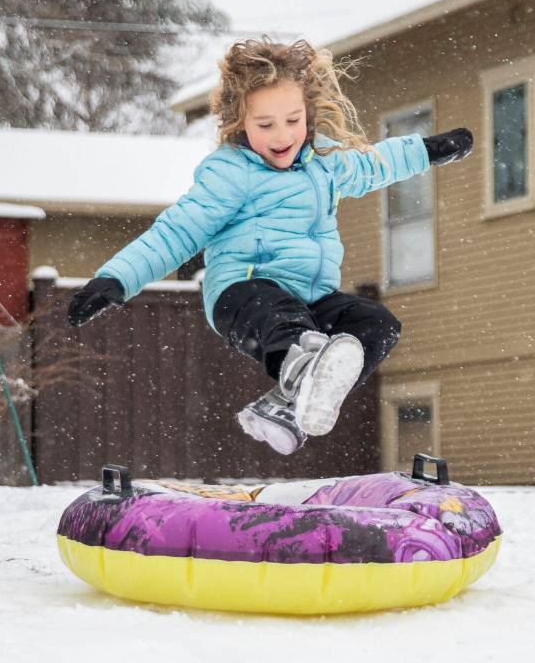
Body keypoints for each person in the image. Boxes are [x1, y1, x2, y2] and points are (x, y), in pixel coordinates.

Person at [67, 37, 472, 456]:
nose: (282, 136)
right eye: (265, 125)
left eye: (293, 120)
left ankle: (290, 405)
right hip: (244, 292)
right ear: (239, 122)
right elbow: (177, 231)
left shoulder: (325, 162)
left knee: (377, 323)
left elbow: (373, 165)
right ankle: (300, 369)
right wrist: (115, 279)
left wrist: (425, 151)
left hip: (311, 298)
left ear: (308, 114)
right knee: (284, 321)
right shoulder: (229, 172)